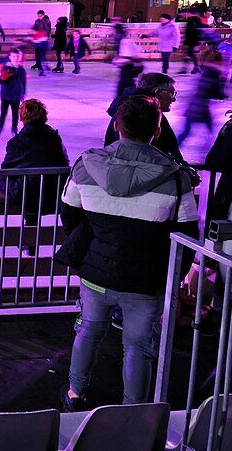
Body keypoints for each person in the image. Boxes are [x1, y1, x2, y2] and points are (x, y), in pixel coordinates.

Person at [58, 96, 199, 410]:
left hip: (95, 273)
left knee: (88, 332)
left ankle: (75, 394)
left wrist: (97, 244)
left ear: (116, 125)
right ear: (157, 129)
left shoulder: (85, 164)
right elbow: (187, 234)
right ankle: (132, 410)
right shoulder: (176, 178)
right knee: (138, 349)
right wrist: (171, 278)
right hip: (145, 282)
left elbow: (70, 214)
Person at [0, 99, 69, 258]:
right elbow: (64, 162)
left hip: (33, 195)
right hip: (54, 194)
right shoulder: (54, 138)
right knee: (34, 183)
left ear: (23, 118)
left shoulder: (18, 142)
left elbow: (7, 170)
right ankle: (30, 245)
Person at [104, 72, 185, 164]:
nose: (174, 99)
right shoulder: (149, 117)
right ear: (157, 92)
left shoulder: (124, 110)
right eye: (172, 93)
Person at [178, 48, 225, 146]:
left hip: (196, 106)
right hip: (200, 108)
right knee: (211, 133)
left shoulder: (207, 71)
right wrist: (222, 95)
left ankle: (173, 149)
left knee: (188, 132)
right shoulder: (213, 74)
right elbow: (213, 91)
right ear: (217, 62)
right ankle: (212, 153)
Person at [0, 48, 28, 137]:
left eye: (18, 56)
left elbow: (23, 83)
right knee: (3, 113)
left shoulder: (21, 70)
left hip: (16, 96)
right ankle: (0, 127)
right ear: (10, 57)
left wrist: (23, 94)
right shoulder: (5, 67)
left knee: (15, 114)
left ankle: (14, 128)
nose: (16, 58)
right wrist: (2, 78)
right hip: (5, 95)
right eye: (14, 56)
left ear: (20, 57)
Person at [113, 25, 143, 98]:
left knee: (126, 83)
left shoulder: (124, 41)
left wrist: (120, 61)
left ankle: (133, 97)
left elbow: (129, 56)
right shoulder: (124, 40)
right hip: (127, 65)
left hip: (127, 66)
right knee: (124, 83)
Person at [31, 10, 52, 75]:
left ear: (43, 15)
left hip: (43, 39)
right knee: (37, 52)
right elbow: (34, 28)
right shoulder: (36, 21)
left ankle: (43, 66)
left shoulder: (46, 21)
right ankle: (38, 63)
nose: (39, 17)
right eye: (38, 16)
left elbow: (47, 30)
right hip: (37, 39)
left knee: (42, 54)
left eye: (40, 16)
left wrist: (45, 36)